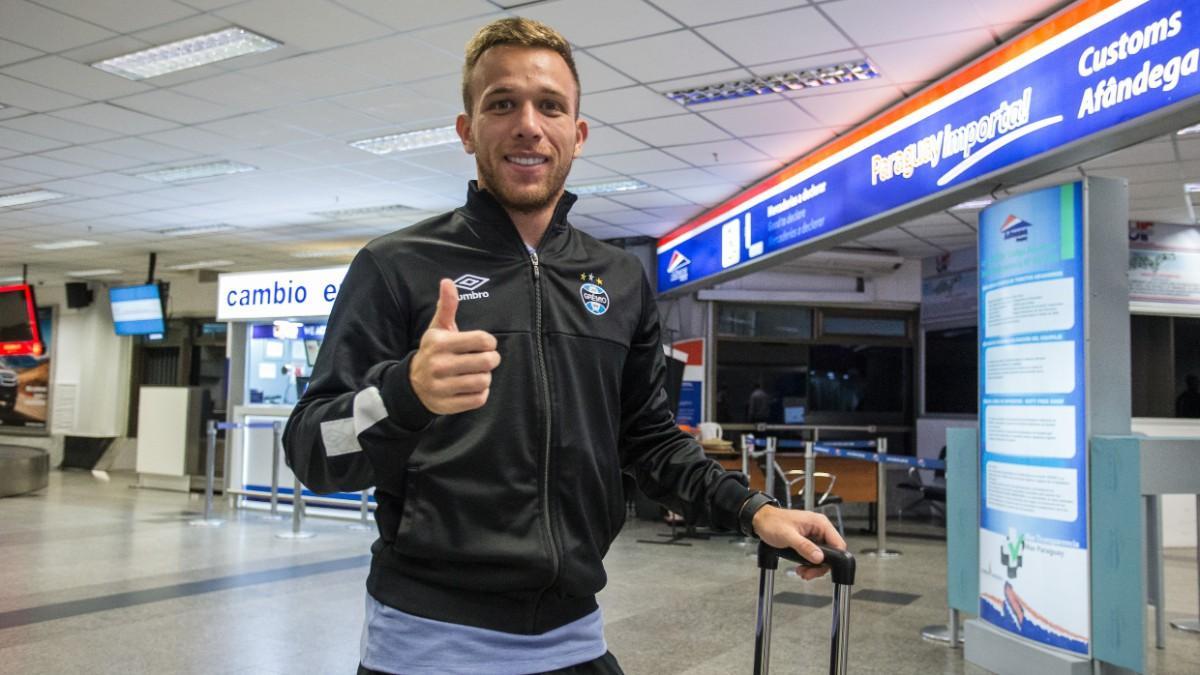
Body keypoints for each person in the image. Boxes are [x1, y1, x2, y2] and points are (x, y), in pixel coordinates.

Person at [283, 17, 844, 675]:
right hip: (426, 643)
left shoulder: (621, 279)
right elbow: (315, 449)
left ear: (576, 134)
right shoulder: (395, 266)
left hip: (573, 636)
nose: (527, 123)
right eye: (502, 103)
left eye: (550, 105)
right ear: (467, 130)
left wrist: (754, 509)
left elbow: (649, 439)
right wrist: (405, 392)